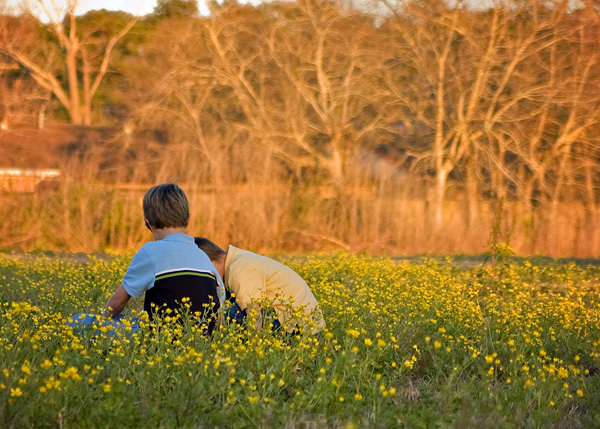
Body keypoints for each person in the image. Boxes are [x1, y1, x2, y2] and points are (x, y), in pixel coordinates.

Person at [103, 183, 225, 334]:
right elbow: (219, 312)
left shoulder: (150, 252)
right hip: (202, 339)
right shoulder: (203, 257)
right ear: (188, 220)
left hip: (161, 339)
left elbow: (117, 303)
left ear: (150, 224)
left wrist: (103, 322)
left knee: (81, 321)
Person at [194, 237, 325, 335]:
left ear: (211, 261)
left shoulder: (238, 269)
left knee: (221, 315)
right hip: (299, 317)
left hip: (295, 322)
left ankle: (212, 342)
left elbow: (254, 313)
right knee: (221, 304)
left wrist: (255, 351)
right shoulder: (237, 260)